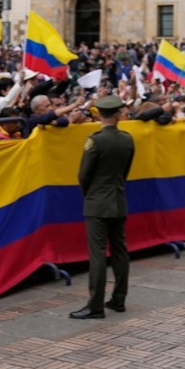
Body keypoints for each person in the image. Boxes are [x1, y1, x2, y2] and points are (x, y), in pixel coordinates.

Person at [70, 94, 135, 320]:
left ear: (99, 114)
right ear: (118, 114)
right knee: (120, 250)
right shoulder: (127, 139)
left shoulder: (95, 141)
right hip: (118, 199)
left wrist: (89, 195)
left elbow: (83, 175)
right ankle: (119, 298)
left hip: (97, 202)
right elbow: (125, 171)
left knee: (97, 254)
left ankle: (95, 305)